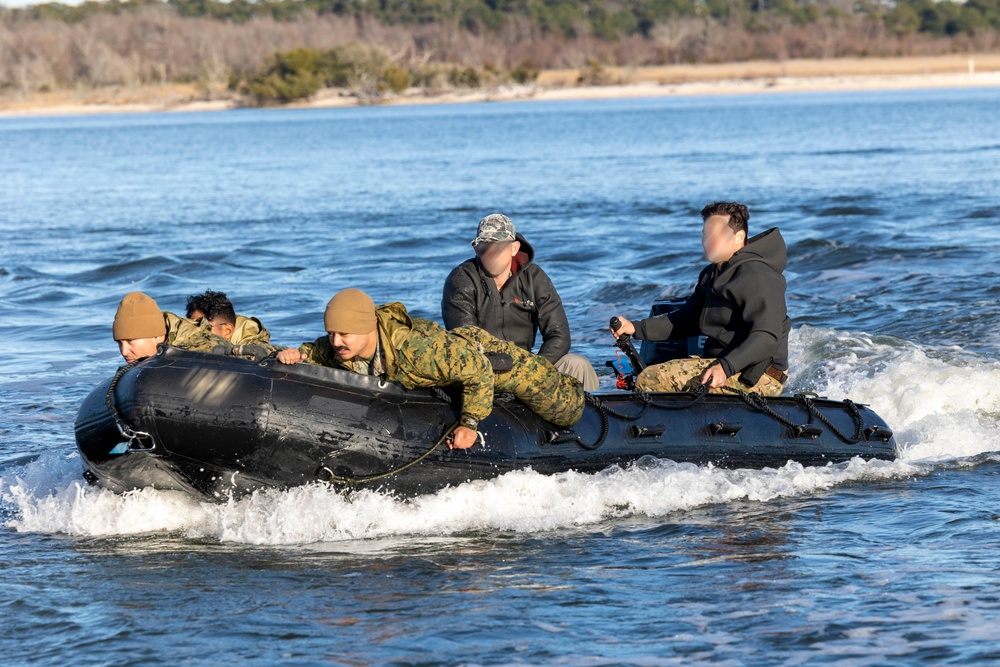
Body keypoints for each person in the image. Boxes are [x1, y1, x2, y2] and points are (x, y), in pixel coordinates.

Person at [277, 288, 585, 449]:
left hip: (495, 363)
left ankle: (584, 383)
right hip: (452, 364)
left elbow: (478, 369)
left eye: (344, 334)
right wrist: (297, 355)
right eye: (332, 333)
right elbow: (316, 350)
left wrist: (470, 423)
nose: (337, 341)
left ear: (366, 329)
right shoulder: (341, 347)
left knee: (567, 410)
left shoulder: (416, 351)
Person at [610, 202, 791, 396]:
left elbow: (767, 336)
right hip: (725, 364)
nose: (707, 242)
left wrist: (726, 367)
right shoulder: (711, 274)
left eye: (716, 235)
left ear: (739, 237)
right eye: (705, 235)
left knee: (652, 378)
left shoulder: (757, 275)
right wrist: (635, 328)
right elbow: (685, 320)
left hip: (759, 375)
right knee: (653, 373)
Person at [441, 213, 600, 391]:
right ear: (476, 250)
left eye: (498, 247)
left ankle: (596, 415)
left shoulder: (534, 277)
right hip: (483, 370)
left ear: (514, 248)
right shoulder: (461, 279)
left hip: (529, 367)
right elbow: (467, 341)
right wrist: (504, 370)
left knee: (578, 364)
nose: (491, 254)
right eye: (484, 247)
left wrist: (535, 368)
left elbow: (559, 336)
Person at [113, 292, 234, 363]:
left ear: (158, 336)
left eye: (130, 341)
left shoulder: (198, 349)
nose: (124, 351)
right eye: (120, 343)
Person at [185, 290, 271, 346]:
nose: (195, 332)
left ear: (227, 331)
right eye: (193, 326)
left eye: (204, 327)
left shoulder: (254, 349)